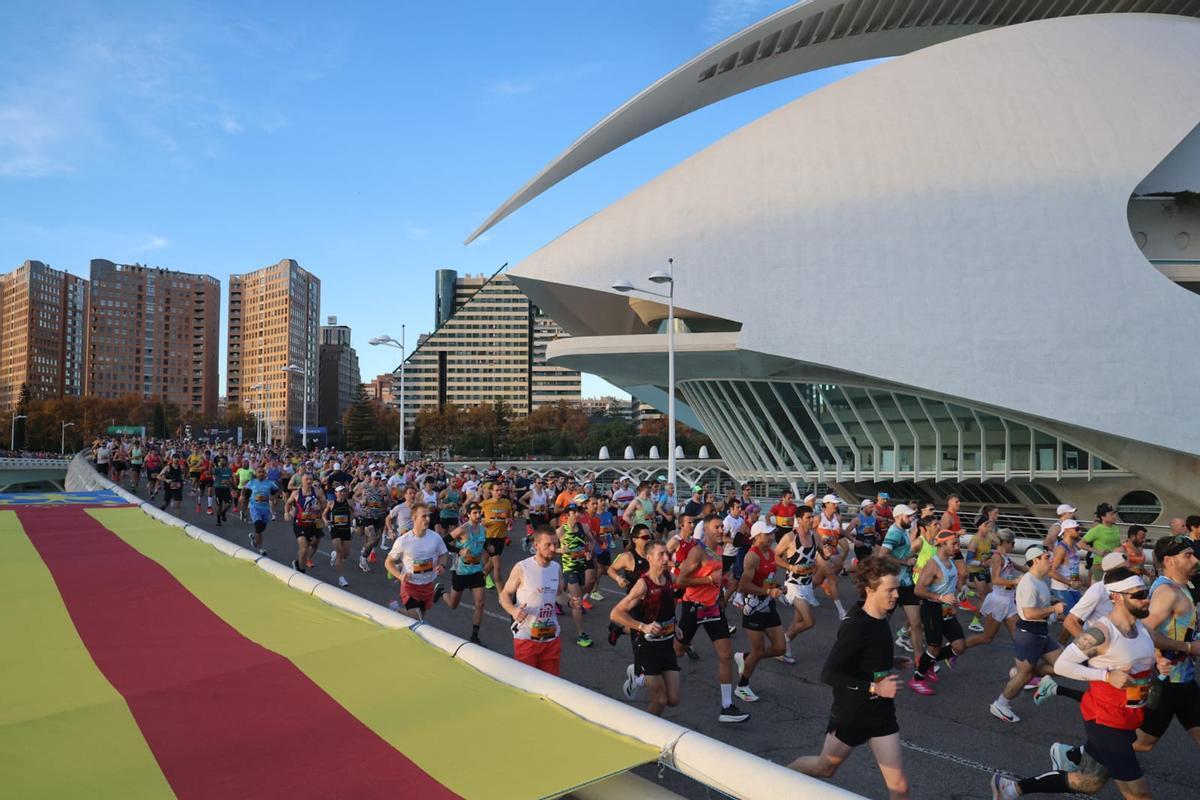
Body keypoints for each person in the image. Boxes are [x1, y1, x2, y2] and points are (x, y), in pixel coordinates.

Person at [990, 567, 1159, 800]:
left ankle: (1010, 788)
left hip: (1129, 717)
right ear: (1117, 597)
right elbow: (1063, 665)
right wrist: (1106, 676)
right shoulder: (1102, 633)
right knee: (1140, 795)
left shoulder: (1142, 628)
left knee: (1088, 782)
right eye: (1139, 595)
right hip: (1105, 722)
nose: (1146, 599)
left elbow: (1143, 661)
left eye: (1146, 592)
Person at [787, 557, 911, 800]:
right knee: (826, 768)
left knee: (900, 787)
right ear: (870, 590)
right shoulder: (855, 626)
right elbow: (830, 673)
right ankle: (775, 778)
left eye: (897, 588)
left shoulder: (882, 614)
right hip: (851, 715)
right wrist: (875, 686)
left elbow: (865, 654)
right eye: (890, 590)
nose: (896, 595)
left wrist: (890, 661)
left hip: (881, 715)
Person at [674, 513, 749, 723]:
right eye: (716, 527)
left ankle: (727, 706)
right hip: (694, 607)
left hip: (713, 608)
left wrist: (723, 587)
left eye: (721, 527)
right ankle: (643, 671)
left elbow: (716, 578)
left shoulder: (718, 550)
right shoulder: (697, 552)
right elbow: (681, 580)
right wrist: (708, 579)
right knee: (677, 652)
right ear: (705, 529)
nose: (720, 531)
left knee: (725, 655)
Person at [1135, 536, 1200, 753]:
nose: (1195, 560)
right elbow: (1143, 629)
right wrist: (1188, 648)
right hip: (1166, 683)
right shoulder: (1167, 592)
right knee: (1142, 744)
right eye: (1187, 556)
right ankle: (1077, 756)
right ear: (1169, 560)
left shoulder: (1182, 587)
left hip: (1185, 680)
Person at [989, 546, 1066, 723]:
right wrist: (1054, 608)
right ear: (1036, 560)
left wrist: (1053, 605)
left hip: (1041, 632)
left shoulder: (1041, 580)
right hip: (1029, 633)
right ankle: (1000, 704)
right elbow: (1029, 613)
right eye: (1047, 557)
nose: (1051, 560)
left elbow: (1040, 605)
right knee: (1025, 676)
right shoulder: (1029, 582)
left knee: (1062, 665)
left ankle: (1023, 670)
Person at [610, 541, 681, 716]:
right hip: (647, 647)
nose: (666, 558)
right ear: (649, 558)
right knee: (660, 700)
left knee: (673, 699)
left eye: (667, 554)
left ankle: (635, 673)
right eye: (661, 555)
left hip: (667, 644)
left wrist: (675, 625)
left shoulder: (670, 579)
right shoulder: (643, 585)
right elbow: (615, 613)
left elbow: (668, 606)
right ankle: (647, 731)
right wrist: (643, 626)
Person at [733, 519, 787, 702]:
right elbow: (744, 585)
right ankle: (742, 686)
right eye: (768, 534)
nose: (772, 537)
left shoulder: (771, 553)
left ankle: (745, 657)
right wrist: (768, 591)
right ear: (757, 537)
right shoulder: (752, 556)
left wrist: (778, 587)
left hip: (768, 605)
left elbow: (768, 578)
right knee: (759, 651)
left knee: (780, 648)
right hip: (753, 608)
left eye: (772, 534)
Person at [499, 527, 566, 676]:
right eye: (548, 545)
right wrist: (513, 611)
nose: (553, 549)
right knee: (528, 683)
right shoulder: (522, 568)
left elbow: (559, 595)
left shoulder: (556, 568)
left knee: (551, 684)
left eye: (556, 544)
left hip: (551, 637)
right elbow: (504, 594)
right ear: (536, 545)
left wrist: (570, 601)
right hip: (526, 637)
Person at [774, 506, 826, 664]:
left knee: (798, 622)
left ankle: (783, 650)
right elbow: (774, 556)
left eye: (812, 517)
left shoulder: (815, 536)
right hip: (793, 585)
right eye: (808, 518)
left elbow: (822, 554)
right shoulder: (789, 537)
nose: (812, 520)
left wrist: (827, 555)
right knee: (809, 621)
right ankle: (784, 639)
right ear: (799, 519)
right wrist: (791, 567)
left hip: (807, 584)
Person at [384, 503, 447, 621]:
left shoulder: (435, 537)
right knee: (417, 617)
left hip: (428, 584)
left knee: (420, 618)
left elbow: (443, 554)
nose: (428, 519)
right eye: (424, 516)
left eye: (428, 516)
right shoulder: (403, 540)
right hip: (410, 586)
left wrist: (442, 565)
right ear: (414, 518)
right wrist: (400, 576)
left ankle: (399, 617)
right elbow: (388, 562)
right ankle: (395, 611)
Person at [964, 529, 1024, 650]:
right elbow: (995, 580)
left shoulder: (1006, 558)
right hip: (999, 601)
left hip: (1009, 601)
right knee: (987, 638)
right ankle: (954, 649)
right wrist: (1015, 581)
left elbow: (1022, 568)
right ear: (1006, 542)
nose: (1014, 545)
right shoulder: (997, 558)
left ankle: (1023, 667)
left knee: (1019, 638)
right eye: (1013, 543)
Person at [879, 504, 923, 657]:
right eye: (908, 516)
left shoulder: (903, 530)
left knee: (916, 623)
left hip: (907, 583)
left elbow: (901, 553)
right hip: (894, 584)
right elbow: (883, 555)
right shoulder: (894, 532)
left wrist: (912, 558)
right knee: (879, 623)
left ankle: (921, 663)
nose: (911, 518)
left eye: (912, 516)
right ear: (898, 517)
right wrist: (905, 562)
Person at [443, 502, 488, 644]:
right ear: (468, 514)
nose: (478, 515)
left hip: (476, 570)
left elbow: (483, 543)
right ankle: (441, 593)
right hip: (461, 571)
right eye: (474, 512)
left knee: (480, 603)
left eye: (479, 512)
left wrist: (489, 547)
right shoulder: (461, 530)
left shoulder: (483, 529)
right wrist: (458, 551)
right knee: (453, 604)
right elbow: (443, 542)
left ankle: (475, 636)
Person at [557, 501, 593, 647]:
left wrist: (588, 550)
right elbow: (549, 548)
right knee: (577, 600)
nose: (577, 514)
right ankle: (581, 634)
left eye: (579, 511)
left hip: (582, 566)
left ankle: (559, 598)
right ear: (567, 515)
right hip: (569, 568)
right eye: (574, 512)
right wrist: (560, 550)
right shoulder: (561, 531)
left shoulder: (584, 527)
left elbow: (591, 541)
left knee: (586, 586)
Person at [816, 494, 850, 620]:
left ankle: (801, 594)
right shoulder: (818, 518)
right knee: (833, 579)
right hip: (820, 552)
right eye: (834, 503)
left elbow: (841, 531)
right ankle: (841, 611)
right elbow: (809, 532)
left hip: (833, 550)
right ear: (826, 504)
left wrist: (853, 539)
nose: (837, 505)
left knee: (839, 566)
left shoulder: (837, 518)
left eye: (837, 503)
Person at [285, 472, 323, 574]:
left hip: (313, 523)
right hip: (299, 524)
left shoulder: (317, 492)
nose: (309, 481)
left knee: (311, 544)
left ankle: (297, 562)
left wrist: (320, 508)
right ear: (301, 481)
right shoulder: (296, 493)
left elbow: (324, 504)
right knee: (304, 549)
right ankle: (302, 572)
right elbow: (288, 503)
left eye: (311, 479)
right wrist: (286, 513)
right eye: (307, 479)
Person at [481, 482, 514, 591]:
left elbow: (510, 518)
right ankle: (502, 595)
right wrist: (483, 522)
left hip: (501, 537)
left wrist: (509, 520)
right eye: (497, 490)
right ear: (491, 491)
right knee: (497, 565)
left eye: (501, 490)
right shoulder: (485, 504)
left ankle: (480, 577)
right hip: (489, 537)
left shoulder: (506, 502)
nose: (499, 492)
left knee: (491, 563)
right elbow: (476, 518)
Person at [353, 471, 389, 572]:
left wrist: (385, 498)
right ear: (371, 479)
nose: (378, 481)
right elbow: (354, 496)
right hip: (367, 516)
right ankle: (363, 559)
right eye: (375, 478)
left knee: (376, 540)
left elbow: (388, 501)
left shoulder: (384, 489)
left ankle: (365, 552)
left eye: (379, 479)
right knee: (372, 538)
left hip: (379, 516)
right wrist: (360, 501)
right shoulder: (364, 487)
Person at [243, 466, 279, 557]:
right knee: (258, 527)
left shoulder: (270, 483)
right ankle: (261, 549)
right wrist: (243, 499)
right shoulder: (251, 483)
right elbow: (245, 491)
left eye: (263, 472)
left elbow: (277, 490)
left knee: (261, 528)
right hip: (254, 508)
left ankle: (254, 538)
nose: (261, 473)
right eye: (259, 472)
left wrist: (274, 497)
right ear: (256, 473)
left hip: (265, 508)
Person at [322, 484, 353, 588]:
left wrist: (356, 519)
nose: (342, 493)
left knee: (345, 555)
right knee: (340, 553)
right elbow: (324, 514)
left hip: (346, 530)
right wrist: (326, 520)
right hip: (335, 530)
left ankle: (334, 554)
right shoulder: (331, 503)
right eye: (340, 492)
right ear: (335, 493)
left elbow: (355, 512)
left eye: (343, 491)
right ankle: (341, 578)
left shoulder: (348, 502)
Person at [1082, 503, 1122, 583]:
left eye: (1114, 514)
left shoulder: (1116, 528)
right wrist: (1098, 552)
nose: (1114, 516)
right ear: (1103, 517)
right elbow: (1081, 544)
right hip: (1100, 565)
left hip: (1114, 565)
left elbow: (1117, 545)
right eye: (1111, 514)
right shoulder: (1096, 530)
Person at [212, 455, 234, 526]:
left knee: (229, 504)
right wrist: (211, 465)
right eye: (220, 461)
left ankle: (223, 513)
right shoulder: (217, 469)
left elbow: (230, 479)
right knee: (219, 506)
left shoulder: (229, 470)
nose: (222, 462)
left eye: (223, 461)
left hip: (226, 489)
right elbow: (211, 472)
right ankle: (218, 520)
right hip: (218, 489)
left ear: (226, 462)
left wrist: (234, 486)